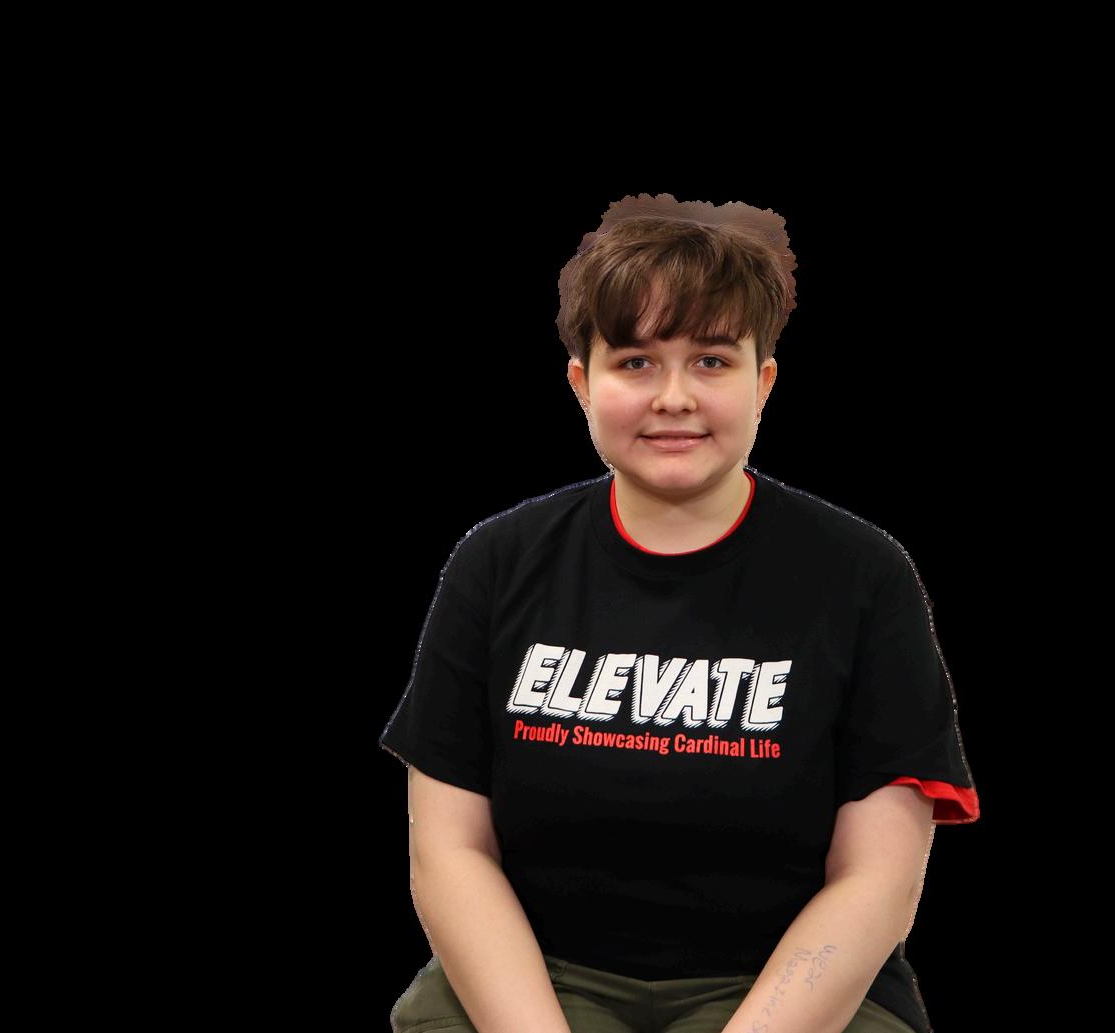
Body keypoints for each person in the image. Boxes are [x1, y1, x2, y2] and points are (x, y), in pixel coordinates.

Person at [380, 193, 980, 1033]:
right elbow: (449, 852)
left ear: (762, 382)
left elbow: (876, 878)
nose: (672, 396)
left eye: (710, 360)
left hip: (783, 989)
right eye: (634, 361)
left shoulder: (864, 575)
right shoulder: (495, 561)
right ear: (581, 383)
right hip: (540, 976)